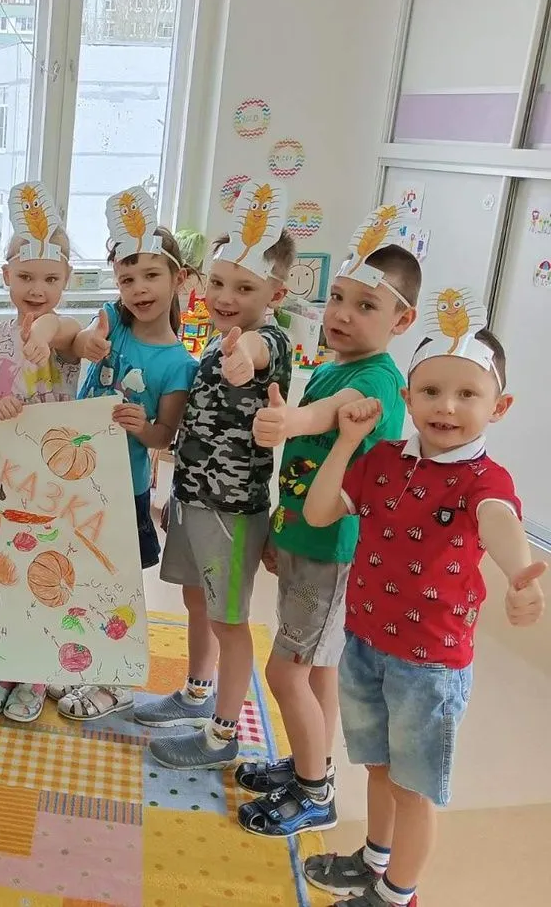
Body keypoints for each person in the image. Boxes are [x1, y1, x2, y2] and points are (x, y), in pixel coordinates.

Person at [299, 312, 544, 907]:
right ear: (407, 398)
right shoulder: (384, 459)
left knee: (413, 791)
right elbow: (318, 512)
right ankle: (375, 861)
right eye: (431, 391)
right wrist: (348, 442)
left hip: (429, 666)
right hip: (364, 643)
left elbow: (499, 519)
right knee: (378, 769)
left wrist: (519, 572)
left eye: (467, 395)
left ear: (499, 407)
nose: (447, 407)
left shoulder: (484, 478)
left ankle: (397, 895)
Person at [239, 216, 421, 837]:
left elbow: (331, 416)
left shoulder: (377, 381)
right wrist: (280, 530)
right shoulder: (331, 365)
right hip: (306, 540)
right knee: (317, 668)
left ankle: (314, 793)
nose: (342, 314)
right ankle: (309, 764)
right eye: (338, 297)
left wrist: (290, 421)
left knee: (285, 670)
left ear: (401, 321)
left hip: (334, 551)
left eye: (365, 305)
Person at [136, 179, 294, 770]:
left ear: (275, 292)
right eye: (220, 282)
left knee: (230, 620)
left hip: (231, 510)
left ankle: (224, 734)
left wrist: (242, 357)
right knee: (194, 598)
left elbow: (254, 350)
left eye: (245, 288)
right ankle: (196, 692)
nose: (227, 297)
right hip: (191, 498)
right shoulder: (210, 340)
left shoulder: (270, 341)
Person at [54, 188, 197, 722]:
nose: (138, 289)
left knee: (117, 586)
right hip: (76, 478)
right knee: (76, 577)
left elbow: (166, 437)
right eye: (127, 278)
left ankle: (116, 681)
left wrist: (144, 428)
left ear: (179, 280)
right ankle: (79, 661)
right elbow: (76, 334)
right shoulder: (111, 324)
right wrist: (85, 340)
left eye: (151, 276)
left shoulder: (180, 364)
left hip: (124, 487)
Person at [0, 181, 98, 722]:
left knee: (47, 572)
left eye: (50, 279)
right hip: (3, 478)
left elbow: (61, 330)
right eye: (25, 278)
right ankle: (5, 666)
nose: (37, 289)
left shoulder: (64, 333)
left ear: (67, 280)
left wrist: (43, 333)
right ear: (6, 277)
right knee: (4, 570)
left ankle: (39, 672)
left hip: (52, 482)